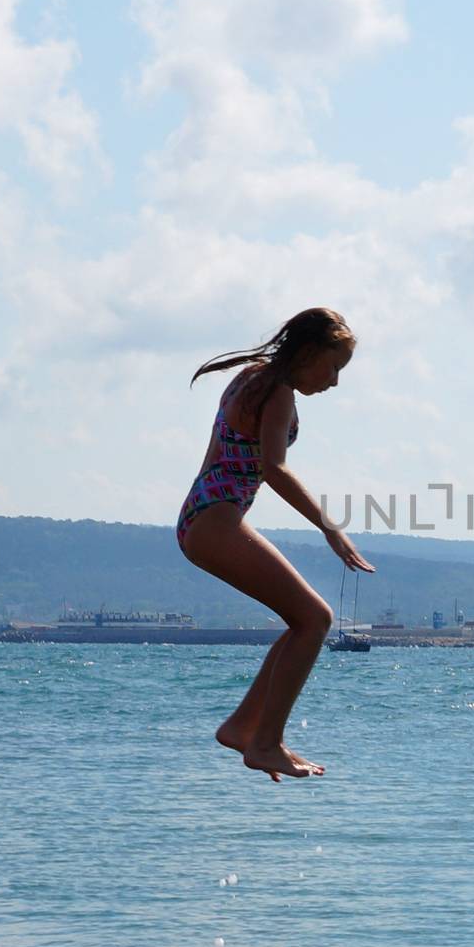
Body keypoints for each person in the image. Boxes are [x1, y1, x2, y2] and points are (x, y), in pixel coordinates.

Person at [176, 307, 374, 781]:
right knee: (316, 619)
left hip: (201, 514)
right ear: (306, 354)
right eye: (333, 367)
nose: (334, 382)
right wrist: (329, 527)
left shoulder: (251, 379)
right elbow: (274, 467)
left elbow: (217, 456)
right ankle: (264, 742)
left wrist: (207, 512)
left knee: (302, 622)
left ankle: (245, 727)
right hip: (215, 519)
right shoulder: (279, 391)